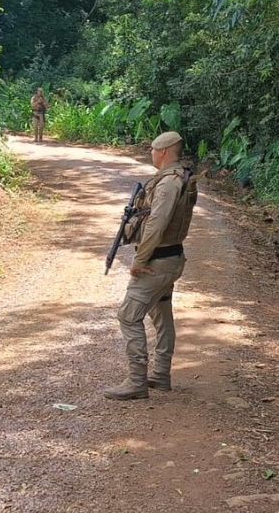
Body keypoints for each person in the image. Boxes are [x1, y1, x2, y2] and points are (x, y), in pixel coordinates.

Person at [104, 131, 198, 401]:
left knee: (128, 316)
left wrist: (140, 259)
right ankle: (160, 374)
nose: (152, 154)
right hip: (170, 258)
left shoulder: (169, 183)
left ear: (165, 152)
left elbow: (157, 223)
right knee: (161, 314)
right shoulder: (182, 177)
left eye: (154, 150)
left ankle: (137, 381)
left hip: (157, 261)